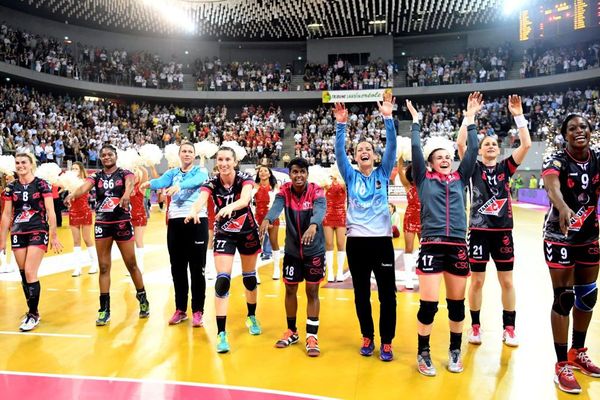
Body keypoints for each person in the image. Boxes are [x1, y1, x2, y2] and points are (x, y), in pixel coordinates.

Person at [409, 92, 480, 376]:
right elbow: (415, 150)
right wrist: (415, 123)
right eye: (439, 157)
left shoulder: (461, 178)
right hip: (431, 246)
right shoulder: (423, 179)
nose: (445, 159)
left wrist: (471, 118)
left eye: (448, 156)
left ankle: (454, 350)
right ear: (430, 162)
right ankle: (423, 352)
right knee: (428, 306)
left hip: (457, 247)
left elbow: (472, 150)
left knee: (456, 306)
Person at [457, 95, 532, 348]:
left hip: (502, 232)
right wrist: (470, 115)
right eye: (485, 143)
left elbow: (527, 145)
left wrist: (518, 115)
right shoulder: (472, 168)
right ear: (479, 150)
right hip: (478, 232)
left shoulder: (505, 168)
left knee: (507, 281)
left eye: (493, 143)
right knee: (476, 281)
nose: (489, 146)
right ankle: (475, 326)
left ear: (498, 150)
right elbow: (460, 143)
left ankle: (509, 328)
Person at [333, 92, 397, 362]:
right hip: (357, 242)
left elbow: (392, 146)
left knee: (387, 296)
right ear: (356, 157)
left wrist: (388, 118)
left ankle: (387, 341)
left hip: (382, 242)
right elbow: (338, 153)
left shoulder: (383, 172)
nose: (363, 152)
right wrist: (341, 125)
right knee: (361, 294)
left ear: (375, 154)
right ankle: (367, 335)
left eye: (368, 149)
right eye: (359, 150)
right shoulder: (350, 174)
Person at [542, 114, 600, 395]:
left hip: (589, 235)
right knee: (564, 298)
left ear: (590, 131)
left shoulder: (597, 158)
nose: (579, 131)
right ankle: (561, 363)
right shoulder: (556, 160)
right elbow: (552, 186)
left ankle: (578, 352)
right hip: (559, 234)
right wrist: (563, 207)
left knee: (588, 294)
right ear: (565, 135)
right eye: (573, 128)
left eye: (584, 127)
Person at [185, 147, 261, 354]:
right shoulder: (211, 182)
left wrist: (231, 207)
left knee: (249, 278)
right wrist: (193, 210)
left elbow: (245, 200)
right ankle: (221, 333)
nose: (224, 163)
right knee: (222, 280)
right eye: (220, 159)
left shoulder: (245, 178)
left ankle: (251, 315)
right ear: (216, 162)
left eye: (228, 159)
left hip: (247, 231)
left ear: (235, 162)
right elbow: (200, 200)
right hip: (225, 234)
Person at [65, 144, 150, 326]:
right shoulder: (96, 176)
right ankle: (104, 308)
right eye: (103, 155)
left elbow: (129, 183)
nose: (106, 157)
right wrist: (72, 194)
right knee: (104, 267)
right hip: (103, 224)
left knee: (131, 264)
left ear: (115, 155)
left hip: (121, 222)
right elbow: (84, 187)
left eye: (109, 154)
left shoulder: (125, 173)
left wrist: (127, 193)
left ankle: (142, 298)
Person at [259, 157, 326, 357]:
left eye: (302, 172)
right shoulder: (284, 192)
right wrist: (268, 219)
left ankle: (312, 336)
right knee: (290, 289)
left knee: (312, 291)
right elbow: (276, 207)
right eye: (295, 172)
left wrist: (314, 225)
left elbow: (320, 209)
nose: (298, 175)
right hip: (292, 251)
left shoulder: (317, 191)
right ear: (290, 174)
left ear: (307, 174)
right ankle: (292, 331)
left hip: (314, 250)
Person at [140, 141, 208, 327]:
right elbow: (161, 181)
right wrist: (149, 183)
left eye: (190, 151)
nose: (187, 154)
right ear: (179, 154)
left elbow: (196, 182)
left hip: (196, 221)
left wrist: (179, 186)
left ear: (194, 155)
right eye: (184, 151)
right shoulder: (172, 173)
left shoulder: (201, 171)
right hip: (175, 223)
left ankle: (198, 311)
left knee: (197, 269)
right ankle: (180, 310)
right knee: (177, 268)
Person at [0, 153, 63, 331]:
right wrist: (2, 239)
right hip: (18, 232)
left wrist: (54, 235)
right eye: (18, 163)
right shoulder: (11, 188)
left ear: (31, 164)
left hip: (38, 229)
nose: (20, 165)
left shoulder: (42, 184)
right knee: (23, 275)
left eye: (24, 162)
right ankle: (32, 310)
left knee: (29, 272)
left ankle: (33, 314)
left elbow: (51, 211)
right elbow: (6, 215)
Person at [66, 161, 98, 277]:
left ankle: (94, 263)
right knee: (76, 241)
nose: (74, 171)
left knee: (86, 238)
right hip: (73, 212)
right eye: (73, 169)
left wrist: (71, 194)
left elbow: (78, 193)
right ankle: (77, 267)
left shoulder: (85, 182)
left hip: (85, 211)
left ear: (81, 170)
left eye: (76, 169)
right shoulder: (69, 182)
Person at [397, 156, 421, 289]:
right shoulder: (407, 186)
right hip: (410, 218)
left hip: (424, 218)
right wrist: (400, 155)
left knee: (424, 247)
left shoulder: (425, 184)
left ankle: (422, 274)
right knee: (409, 248)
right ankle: (408, 278)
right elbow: (400, 171)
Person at [254, 165, 281, 280]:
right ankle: (255, 272)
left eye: (265, 171)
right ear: (258, 174)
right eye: (261, 171)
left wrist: (271, 218)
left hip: (272, 217)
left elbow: (278, 204)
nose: (263, 173)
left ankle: (276, 269)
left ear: (270, 173)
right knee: (257, 244)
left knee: (274, 242)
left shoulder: (275, 186)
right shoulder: (254, 186)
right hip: (258, 218)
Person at [323, 173, 347, 282]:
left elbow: (346, 187)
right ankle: (330, 272)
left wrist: (339, 178)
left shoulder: (343, 183)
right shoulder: (326, 184)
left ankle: (340, 271)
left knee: (341, 244)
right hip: (328, 215)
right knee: (328, 244)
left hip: (341, 215)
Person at [130, 165, 149, 273]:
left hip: (139, 216)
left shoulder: (141, 186)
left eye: (135, 172)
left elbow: (145, 173)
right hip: (128, 217)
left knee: (138, 241)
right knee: (129, 242)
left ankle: (140, 266)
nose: (133, 173)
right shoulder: (127, 186)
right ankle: (132, 267)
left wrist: (137, 164)